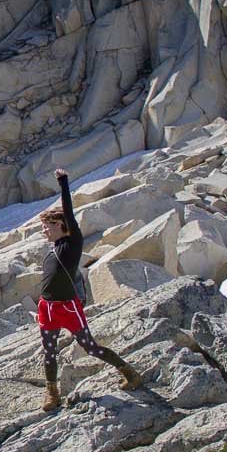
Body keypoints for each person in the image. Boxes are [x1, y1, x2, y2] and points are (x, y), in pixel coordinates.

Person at [37, 168, 142, 411]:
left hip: (68, 307)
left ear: (63, 226)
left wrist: (63, 182)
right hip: (48, 308)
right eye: (44, 226)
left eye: (49, 225)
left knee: (90, 347)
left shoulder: (71, 243)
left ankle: (129, 372)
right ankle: (52, 393)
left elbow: (70, 212)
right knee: (49, 352)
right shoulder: (54, 248)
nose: (45, 230)